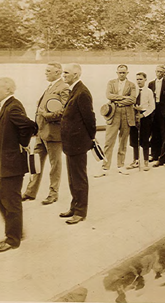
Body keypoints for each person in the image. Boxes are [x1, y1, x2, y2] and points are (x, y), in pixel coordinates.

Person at [0, 77, 37, 252]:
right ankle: (16, 230)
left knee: (11, 201)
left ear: (8, 90)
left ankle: (12, 239)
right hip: (5, 164)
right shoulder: (8, 106)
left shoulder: (13, 106)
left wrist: (22, 144)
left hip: (11, 164)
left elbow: (30, 126)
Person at [23, 62, 69, 205]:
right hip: (41, 132)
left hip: (54, 134)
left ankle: (53, 194)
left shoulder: (64, 88)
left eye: (49, 71)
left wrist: (46, 115)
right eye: (46, 71)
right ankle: (30, 192)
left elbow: (64, 111)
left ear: (58, 72)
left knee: (55, 165)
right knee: (35, 162)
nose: (46, 73)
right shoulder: (50, 87)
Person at [59, 63, 96, 225]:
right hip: (71, 143)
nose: (63, 75)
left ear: (76, 75)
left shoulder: (82, 93)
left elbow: (90, 118)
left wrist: (91, 138)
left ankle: (80, 212)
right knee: (72, 178)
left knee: (79, 178)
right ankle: (74, 207)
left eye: (66, 73)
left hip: (78, 144)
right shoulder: (75, 90)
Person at [97, 65, 137, 177]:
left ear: (127, 73)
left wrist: (117, 100)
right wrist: (123, 98)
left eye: (124, 72)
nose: (122, 74)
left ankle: (121, 165)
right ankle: (105, 167)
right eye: (120, 72)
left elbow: (132, 99)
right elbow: (108, 95)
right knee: (109, 141)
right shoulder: (111, 83)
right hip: (113, 114)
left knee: (123, 141)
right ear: (117, 73)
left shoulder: (132, 85)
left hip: (126, 115)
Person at [128, 72, 155, 171]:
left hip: (145, 116)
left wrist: (143, 115)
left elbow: (152, 106)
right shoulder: (134, 91)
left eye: (141, 79)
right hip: (134, 115)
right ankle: (136, 160)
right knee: (134, 139)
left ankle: (146, 162)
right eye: (137, 79)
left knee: (145, 139)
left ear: (145, 79)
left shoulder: (148, 91)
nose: (139, 81)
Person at [148, 65, 165, 166]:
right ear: (155, 72)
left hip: (163, 110)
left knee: (163, 133)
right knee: (154, 133)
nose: (159, 73)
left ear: (164, 73)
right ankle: (154, 154)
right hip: (154, 109)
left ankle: (164, 156)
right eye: (157, 71)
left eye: (161, 72)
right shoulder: (151, 84)